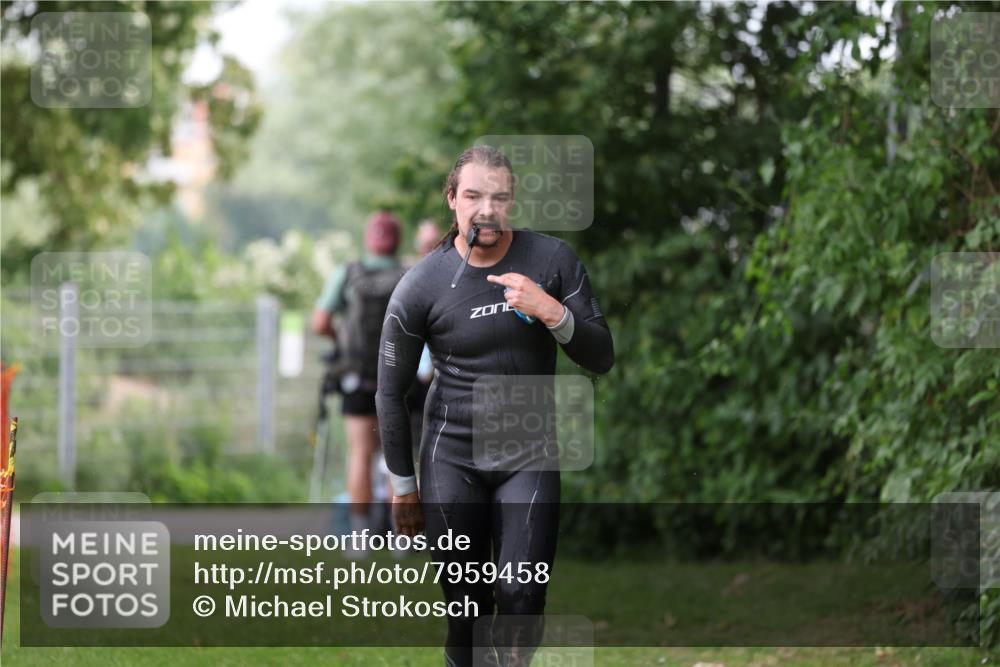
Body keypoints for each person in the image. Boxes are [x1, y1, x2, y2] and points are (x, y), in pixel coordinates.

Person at [376, 146, 614, 666]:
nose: (486, 208)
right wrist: (403, 489)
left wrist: (552, 312)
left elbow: (601, 356)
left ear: (512, 202)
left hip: (528, 452)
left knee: (521, 597)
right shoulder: (421, 285)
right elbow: (390, 392)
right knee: (467, 611)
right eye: (473, 195)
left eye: (498, 196)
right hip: (450, 456)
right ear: (452, 200)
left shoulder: (551, 262)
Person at [312, 210, 406, 553]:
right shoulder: (409, 274)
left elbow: (319, 322)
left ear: (369, 237)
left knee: (360, 455)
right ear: (397, 239)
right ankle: (401, 538)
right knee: (397, 457)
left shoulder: (349, 273)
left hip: (357, 378)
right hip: (399, 379)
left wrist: (342, 343)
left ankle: (361, 537)